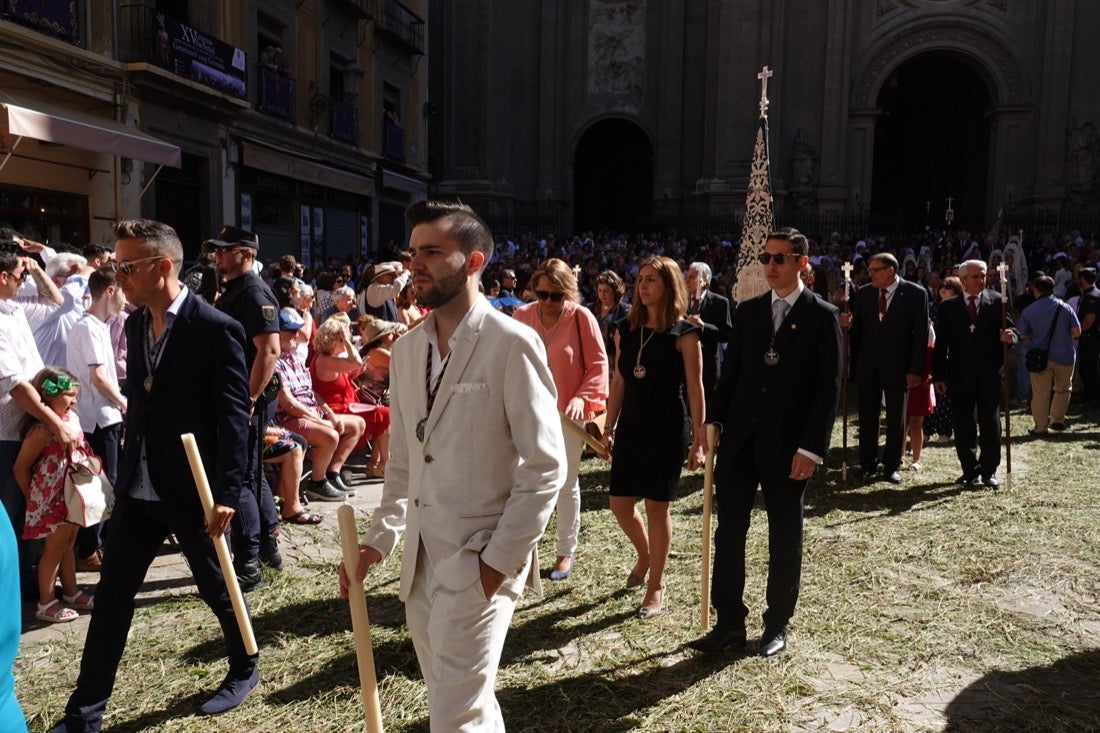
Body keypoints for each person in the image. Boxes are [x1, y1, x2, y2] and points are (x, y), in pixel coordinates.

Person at [339, 200, 566, 732]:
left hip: (477, 560)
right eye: (413, 252)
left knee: (453, 715)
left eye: (432, 252)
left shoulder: (511, 344)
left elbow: (544, 465)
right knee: (461, 699)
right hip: (419, 563)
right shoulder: (407, 350)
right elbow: (403, 465)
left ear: (473, 261)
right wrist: (378, 541)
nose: (414, 264)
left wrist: (497, 562)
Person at [47, 219, 258, 732]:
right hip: (138, 491)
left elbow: (235, 417)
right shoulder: (139, 323)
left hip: (192, 487)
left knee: (215, 585)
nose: (116, 276)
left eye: (126, 267)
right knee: (114, 598)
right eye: (115, 266)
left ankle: (244, 664)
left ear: (162, 267)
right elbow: (142, 399)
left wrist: (229, 490)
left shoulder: (215, 329)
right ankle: (84, 715)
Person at [690, 228, 841, 658]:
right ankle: (729, 623)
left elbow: (826, 391)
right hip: (740, 443)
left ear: (801, 263)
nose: (771, 266)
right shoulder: (750, 311)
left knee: (784, 534)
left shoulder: (821, 315)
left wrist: (811, 448)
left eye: (780, 258)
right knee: (729, 532)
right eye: (767, 257)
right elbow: (732, 374)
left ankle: (776, 624)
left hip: (789, 448)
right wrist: (714, 417)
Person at [601, 255, 706, 620]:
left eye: (652, 280)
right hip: (631, 425)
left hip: (666, 427)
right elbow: (618, 381)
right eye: (640, 279)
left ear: (669, 286)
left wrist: (698, 439)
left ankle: (656, 584)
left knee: (656, 507)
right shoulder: (623, 329)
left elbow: (696, 388)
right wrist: (609, 425)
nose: (643, 286)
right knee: (619, 503)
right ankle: (646, 556)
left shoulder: (685, 333)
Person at [513, 258, 608, 581]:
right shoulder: (522, 316)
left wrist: (583, 397)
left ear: (568, 293)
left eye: (557, 296)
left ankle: (565, 551)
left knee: (565, 483)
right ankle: (523, 553)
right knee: (524, 483)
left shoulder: (582, 318)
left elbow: (598, 365)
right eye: (542, 294)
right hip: (528, 412)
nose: (549, 302)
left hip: (569, 416)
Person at [0, 246, 82, 596]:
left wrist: (33, 268)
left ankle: (30, 586)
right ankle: (13, 594)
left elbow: (56, 299)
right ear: (3, 277)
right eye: (19, 276)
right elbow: (15, 384)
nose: (24, 282)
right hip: (7, 432)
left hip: (30, 425)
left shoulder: (15, 308)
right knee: (13, 515)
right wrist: (56, 421)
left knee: (33, 520)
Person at [207, 225, 283, 589]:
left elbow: (269, 351)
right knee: (251, 472)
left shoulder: (253, 292)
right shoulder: (235, 289)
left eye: (225, 250)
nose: (218, 255)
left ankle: (249, 559)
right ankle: (267, 547)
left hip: (244, 399)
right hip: (236, 396)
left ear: (246, 254)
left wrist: (249, 400)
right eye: (217, 250)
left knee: (237, 475)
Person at [14, 367, 97, 623]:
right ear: (47, 396)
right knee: (53, 549)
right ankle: (46, 601)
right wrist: (33, 498)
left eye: (75, 395)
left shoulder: (71, 419)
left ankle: (71, 591)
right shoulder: (41, 431)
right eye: (68, 395)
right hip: (52, 499)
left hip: (71, 494)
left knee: (68, 543)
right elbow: (21, 468)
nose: (74, 401)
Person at [842, 252, 929, 484]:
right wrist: (847, 327)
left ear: (890, 270)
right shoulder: (864, 294)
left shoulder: (915, 294)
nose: (870, 274)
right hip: (868, 365)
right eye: (869, 270)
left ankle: (891, 464)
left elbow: (920, 335)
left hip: (899, 366)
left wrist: (915, 369)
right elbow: (857, 332)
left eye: (875, 270)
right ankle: (867, 463)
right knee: (868, 415)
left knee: (895, 417)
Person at [932, 259, 1017, 489]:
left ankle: (989, 470)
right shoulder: (948, 307)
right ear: (963, 279)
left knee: (990, 424)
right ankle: (969, 469)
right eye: (975, 276)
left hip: (989, 373)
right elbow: (942, 344)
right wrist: (938, 375)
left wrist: (1010, 338)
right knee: (963, 424)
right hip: (959, 375)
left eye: (983, 276)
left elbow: (1012, 330)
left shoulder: (997, 302)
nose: (981, 280)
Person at [65, 268, 128, 572]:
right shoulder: (89, 327)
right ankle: (89, 548)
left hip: (103, 416)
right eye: (122, 292)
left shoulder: (99, 326)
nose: (125, 300)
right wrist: (123, 402)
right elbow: (98, 377)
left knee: (105, 482)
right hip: (97, 418)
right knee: (101, 484)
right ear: (110, 291)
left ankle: (93, 546)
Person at [273, 309, 363, 501]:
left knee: (357, 424)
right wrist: (317, 419)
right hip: (291, 419)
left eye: (296, 330)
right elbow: (288, 403)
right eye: (290, 331)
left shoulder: (294, 359)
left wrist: (328, 413)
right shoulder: (275, 363)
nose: (296, 335)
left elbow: (311, 392)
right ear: (276, 334)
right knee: (330, 434)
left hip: (310, 413)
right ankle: (318, 482)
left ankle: (332, 473)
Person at [311, 315, 392, 481]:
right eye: (344, 336)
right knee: (384, 413)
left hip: (346, 405)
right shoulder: (325, 360)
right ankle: (384, 465)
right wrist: (347, 342)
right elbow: (354, 361)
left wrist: (358, 371)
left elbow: (347, 375)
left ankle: (379, 464)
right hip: (336, 409)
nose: (348, 336)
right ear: (337, 339)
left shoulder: (328, 360)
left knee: (383, 413)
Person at [1016, 275, 1081, 434]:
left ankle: (1040, 427)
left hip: (1040, 358)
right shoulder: (1065, 308)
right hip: (1064, 356)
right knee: (1063, 389)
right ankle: (1057, 419)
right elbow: (1076, 331)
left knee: (1040, 394)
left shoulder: (1029, 311)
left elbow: (1023, 335)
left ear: (1035, 290)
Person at [685, 261, 733, 403]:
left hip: (708, 365)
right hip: (684, 364)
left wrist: (704, 326)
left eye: (692, 277)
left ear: (704, 281)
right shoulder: (681, 302)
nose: (687, 280)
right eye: (687, 276)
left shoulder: (720, 303)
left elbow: (726, 334)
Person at [905, 319, 936, 471]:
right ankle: (899, 456)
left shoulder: (927, 327)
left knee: (916, 422)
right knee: (901, 422)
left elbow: (932, 351)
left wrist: (929, 376)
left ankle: (916, 458)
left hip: (921, 380)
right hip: (900, 378)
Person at [590, 270, 630, 377]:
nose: (602, 294)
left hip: (616, 362)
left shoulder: (625, 311)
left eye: (606, 291)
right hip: (594, 360)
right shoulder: (591, 309)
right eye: (600, 290)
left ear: (615, 290)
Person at [1074, 267, 1100, 409]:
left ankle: (1093, 399)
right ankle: (1088, 396)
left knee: (1088, 368)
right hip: (1088, 336)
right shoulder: (1088, 294)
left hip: (1091, 337)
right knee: (1085, 367)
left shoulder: (1092, 296)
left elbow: (1089, 319)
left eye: (1080, 279)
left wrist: (1078, 331)